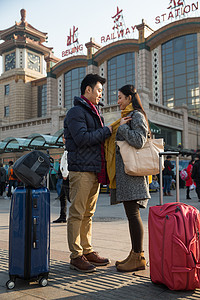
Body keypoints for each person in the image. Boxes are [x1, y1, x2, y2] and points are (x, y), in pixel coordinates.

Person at [64, 73, 112, 272]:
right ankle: (76, 255)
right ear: (88, 90)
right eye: (99, 90)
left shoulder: (94, 112)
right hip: (81, 170)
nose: (101, 94)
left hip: (94, 169)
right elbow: (82, 139)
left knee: (88, 214)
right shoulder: (76, 112)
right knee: (77, 213)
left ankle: (87, 249)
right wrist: (107, 131)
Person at [105, 84, 150, 272]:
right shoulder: (127, 117)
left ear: (130, 98)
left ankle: (138, 256)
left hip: (133, 175)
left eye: (120, 97)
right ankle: (134, 254)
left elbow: (140, 140)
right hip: (127, 175)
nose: (118, 101)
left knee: (133, 215)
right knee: (131, 215)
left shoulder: (136, 116)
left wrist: (122, 129)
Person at [53, 135, 69, 223]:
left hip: (67, 176)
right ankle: (63, 216)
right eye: (62, 137)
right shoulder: (66, 147)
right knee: (63, 197)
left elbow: (68, 161)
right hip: (64, 176)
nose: (63, 139)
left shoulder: (69, 147)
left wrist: (65, 173)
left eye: (64, 137)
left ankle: (74, 217)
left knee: (70, 197)